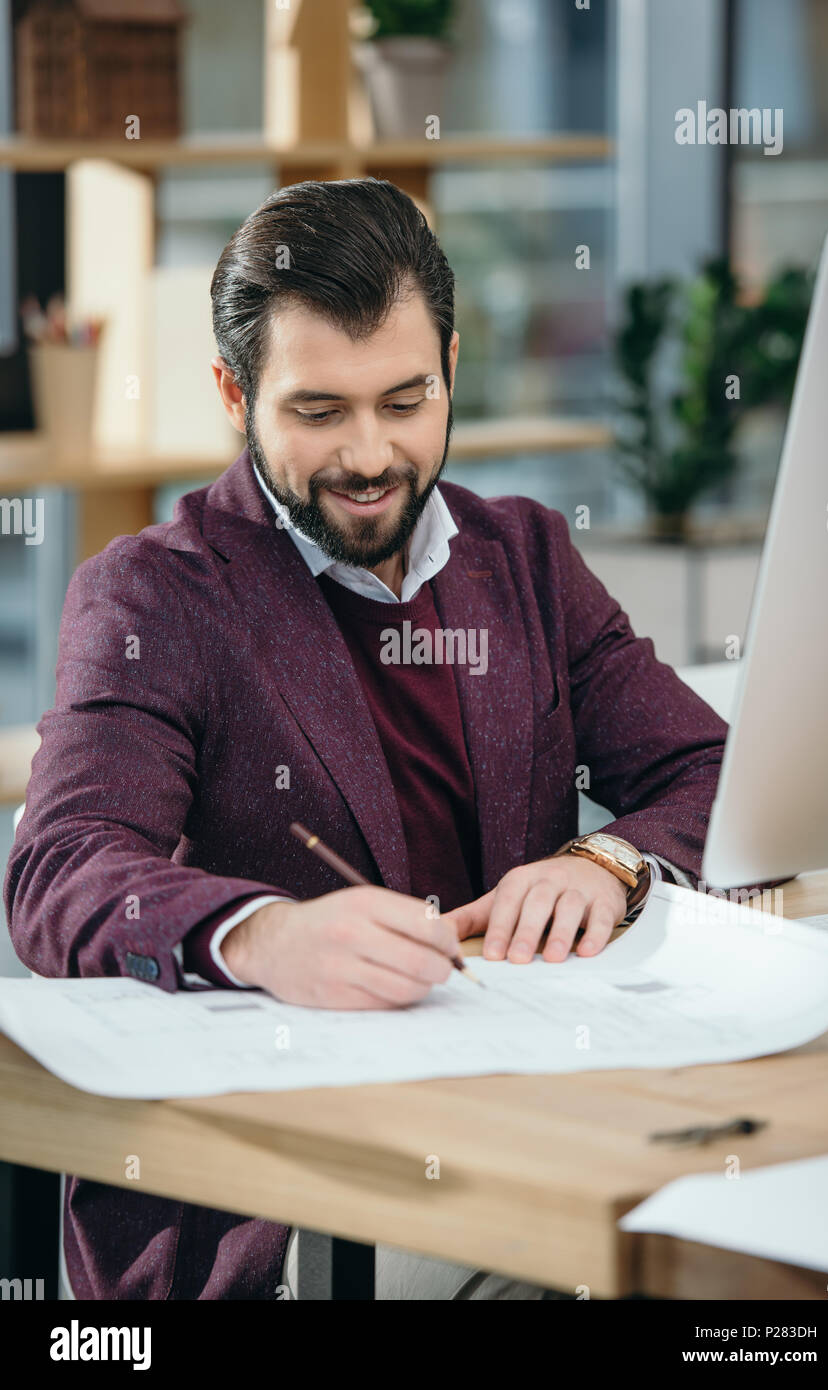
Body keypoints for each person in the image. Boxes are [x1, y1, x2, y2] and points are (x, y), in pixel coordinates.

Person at [5, 178, 737, 1300]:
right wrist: (261, 938)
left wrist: (607, 859)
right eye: (317, 412)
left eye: (405, 400)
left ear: (449, 363)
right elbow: (60, 868)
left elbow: (709, 766)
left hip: (530, 1112)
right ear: (232, 394)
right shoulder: (154, 597)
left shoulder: (528, 559)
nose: (369, 456)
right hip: (286, 1189)